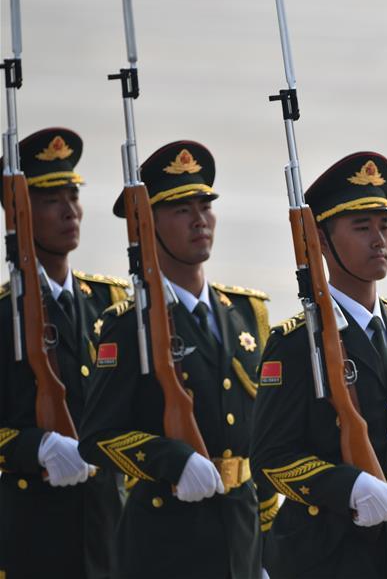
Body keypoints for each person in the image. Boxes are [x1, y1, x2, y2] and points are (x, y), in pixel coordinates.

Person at [77, 140, 274, 578]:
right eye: (182, 210)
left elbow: (258, 443)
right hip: (164, 542)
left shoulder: (247, 314)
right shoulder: (130, 325)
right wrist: (171, 458)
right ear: (148, 224)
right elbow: (97, 436)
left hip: (239, 536)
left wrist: (266, 552)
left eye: (204, 205)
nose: (200, 219)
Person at [250, 152, 387, 579]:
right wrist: (346, 486)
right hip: (326, 552)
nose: (379, 239)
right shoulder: (297, 342)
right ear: (320, 240)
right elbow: (270, 457)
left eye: (385, 225)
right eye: (362, 228)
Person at [0, 128, 128, 579]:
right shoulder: (3, 313)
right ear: (19, 212)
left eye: (73, 195)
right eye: (52, 198)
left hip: (108, 530)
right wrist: (35, 446)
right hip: (32, 535)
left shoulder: (111, 304)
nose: (70, 210)